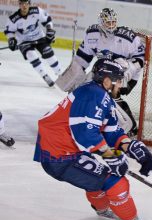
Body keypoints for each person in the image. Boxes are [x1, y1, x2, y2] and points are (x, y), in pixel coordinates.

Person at [34, 59, 152, 220]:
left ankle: (102, 208)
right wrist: (111, 155)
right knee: (116, 182)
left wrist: (130, 146)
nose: (120, 84)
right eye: (117, 79)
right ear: (107, 80)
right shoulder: (93, 95)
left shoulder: (99, 95)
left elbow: (111, 130)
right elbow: (85, 134)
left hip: (64, 151)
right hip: (59, 156)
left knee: (98, 177)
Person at [56, 8, 144, 136]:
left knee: (108, 93)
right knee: (84, 87)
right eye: (108, 22)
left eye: (113, 22)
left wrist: (129, 68)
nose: (111, 25)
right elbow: (83, 58)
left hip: (127, 75)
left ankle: (130, 126)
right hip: (104, 73)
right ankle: (89, 119)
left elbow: (141, 57)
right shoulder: (92, 34)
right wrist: (75, 75)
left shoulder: (127, 37)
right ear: (101, 23)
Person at [4, 0, 61, 87]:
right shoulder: (13, 19)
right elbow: (9, 31)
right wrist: (11, 39)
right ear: (19, 5)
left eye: (26, 3)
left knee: (48, 52)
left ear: (29, 4)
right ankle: (44, 75)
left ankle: (60, 74)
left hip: (39, 37)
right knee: (31, 55)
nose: (24, 6)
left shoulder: (36, 11)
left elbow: (47, 20)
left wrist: (49, 29)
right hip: (24, 41)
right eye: (22, 4)